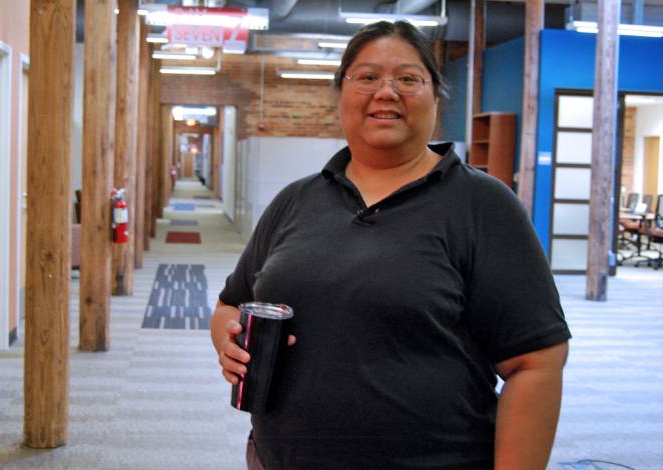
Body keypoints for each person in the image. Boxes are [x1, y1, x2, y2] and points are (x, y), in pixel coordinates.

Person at [211, 20, 571, 470]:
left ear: (436, 96)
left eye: (408, 78)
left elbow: (536, 364)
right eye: (366, 77)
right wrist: (226, 339)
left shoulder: (483, 206)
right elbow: (231, 304)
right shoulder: (295, 201)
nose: (386, 92)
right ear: (341, 93)